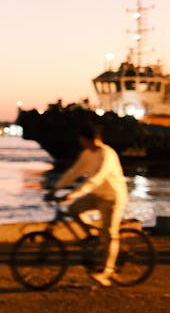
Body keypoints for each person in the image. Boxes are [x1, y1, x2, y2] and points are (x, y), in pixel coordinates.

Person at [48, 123, 128, 287]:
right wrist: (56, 188)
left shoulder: (107, 154)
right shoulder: (87, 154)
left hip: (113, 197)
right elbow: (74, 172)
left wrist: (73, 194)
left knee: (110, 234)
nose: (80, 143)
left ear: (89, 139)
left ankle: (106, 272)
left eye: (82, 140)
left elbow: (96, 179)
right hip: (96, 195)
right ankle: (93, 236)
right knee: (73, 209)